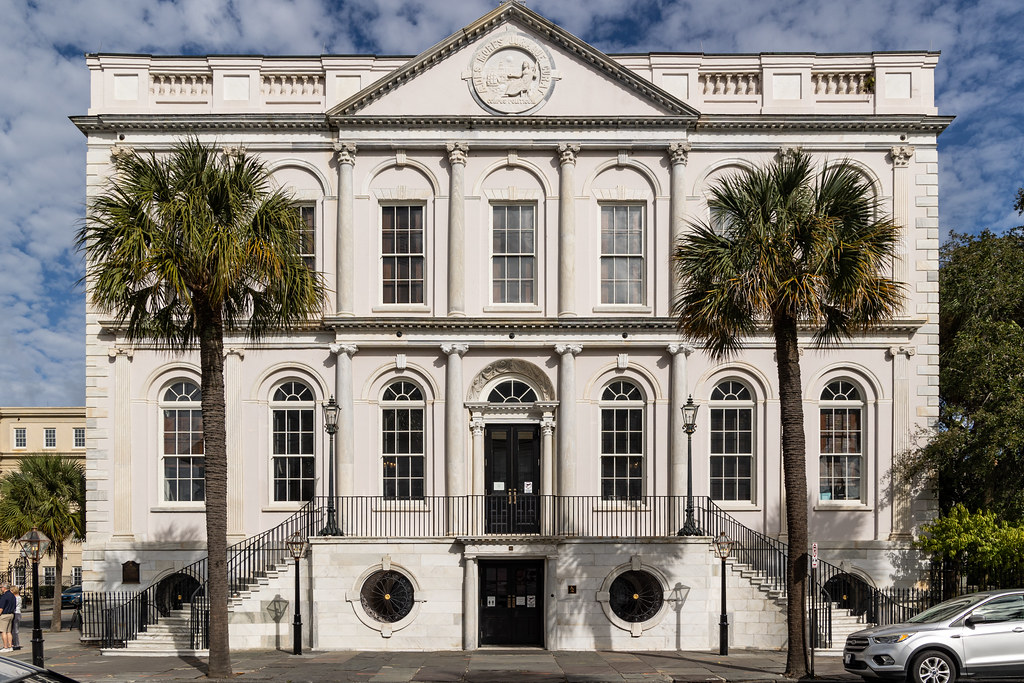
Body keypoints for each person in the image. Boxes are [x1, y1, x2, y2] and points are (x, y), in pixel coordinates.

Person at [0, 583, 15, 652]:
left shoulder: (4, 596)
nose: (1, 589)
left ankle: (5, 647)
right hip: (11, 614)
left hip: (4, 615)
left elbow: (1, 608)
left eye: (1, 587)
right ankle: (10, 646)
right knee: (9, 631)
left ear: (4, 588)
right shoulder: (12, 595)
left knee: (3, 631)